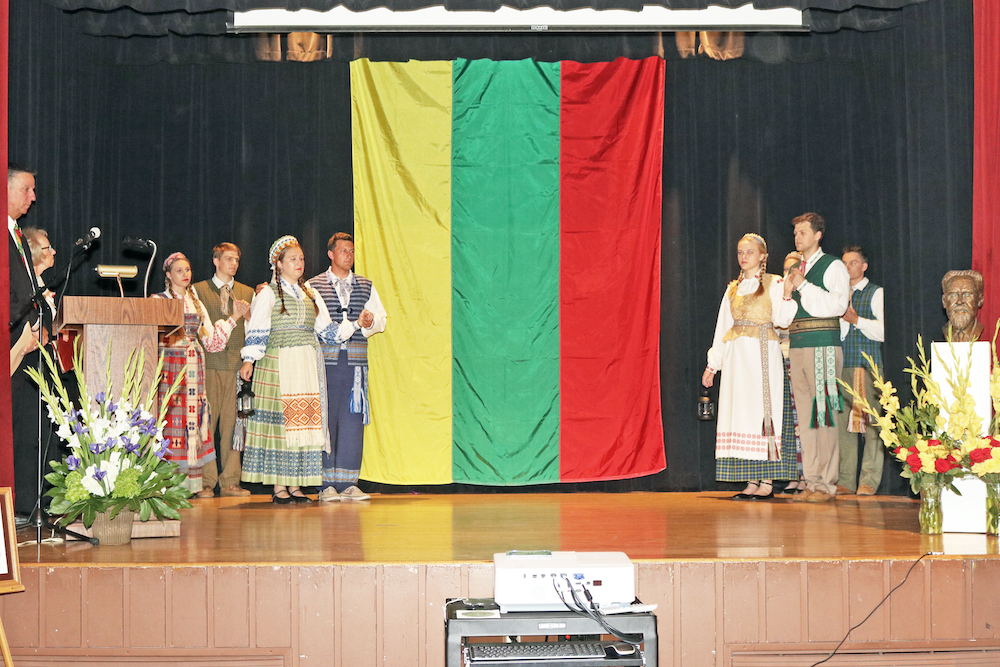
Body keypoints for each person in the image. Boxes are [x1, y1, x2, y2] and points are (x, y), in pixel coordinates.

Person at [239, 236, 355, 504]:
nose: (299, 263)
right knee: (283, 425)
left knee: (302, 422)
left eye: (301, 258)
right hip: (279, 362)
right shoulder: (268, 293)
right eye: (292, 259)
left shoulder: (310, 294)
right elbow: (258, 329)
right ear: (278, 264)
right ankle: (279, 486)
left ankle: (295, 484)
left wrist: (356, 324)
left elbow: (327, 330)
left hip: (305, 364)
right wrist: (249, 360)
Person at [703, 233, 797, 500]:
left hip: (761, 355)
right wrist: (713, 365)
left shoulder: (773, 282)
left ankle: (767, 480)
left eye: (750, 252)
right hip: (737, 359)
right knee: (742, 413)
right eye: (740, 252)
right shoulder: (733, 288)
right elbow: (723, 327)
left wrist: (787, 294)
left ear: (763, 256)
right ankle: (751, 480)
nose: (744, 257)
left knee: (762, 413)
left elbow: (782, 321)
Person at [153, 252, 247, 495]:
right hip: (170, 366)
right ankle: (169, 484)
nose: (185, 274)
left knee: (192, 422)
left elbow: (213, 342)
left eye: (187, 270)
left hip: (194, 367)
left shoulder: (195, 302)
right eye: (179, 271)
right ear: (168, 275)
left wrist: (234, 318)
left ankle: (193, 484)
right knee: (171, 422)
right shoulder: (158, 300)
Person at [306, 232, 386, 502]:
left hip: (354, 365)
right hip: (324, 363)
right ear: (330, 254)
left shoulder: (365, 285)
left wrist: (370, 322)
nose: (349, 256)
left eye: (352, 251)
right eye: (343, 251)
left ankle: (348, 483)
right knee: (325, 420)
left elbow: (381, 320)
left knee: (352, 422)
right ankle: (325, 484)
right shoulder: (313, 285)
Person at [785, 212, 851, 503]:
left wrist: (803, 285)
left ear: (818, 235)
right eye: (795, 233)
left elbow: (837, 306)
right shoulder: (796, 268)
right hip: (797, 345)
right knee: (805, 418)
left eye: (803, 232)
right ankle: (811, 482)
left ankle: (826, 484)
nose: (797, 237)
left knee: (823, 414)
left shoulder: (833, 265)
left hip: (823, 345)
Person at [192, 243, 254, 498]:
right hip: (208, 365)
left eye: (236, 259)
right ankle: (205, 482)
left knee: (234, 425)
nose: (234, 264)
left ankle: (230, 481)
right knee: (206, 424)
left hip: (236, 366)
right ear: (216, 261)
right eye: (228, 259)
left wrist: (247, 316)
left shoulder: (248, 292)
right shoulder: (198, 290)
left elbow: (255, 329)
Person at [8, 164, 50, 517]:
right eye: (26, 189)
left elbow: (30, 291)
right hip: (12, 345)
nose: (33, 197)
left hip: (30, 348)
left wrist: (42, 325)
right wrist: (22, 330)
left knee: (28, 430)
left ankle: (28, 504)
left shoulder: (18, 235)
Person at [837, 246, 885, 496]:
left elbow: (884, 331)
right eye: (844, 263)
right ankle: (845, 480)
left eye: (853, 263)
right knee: (842, 425)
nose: (848, 268)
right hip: (842, 365)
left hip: (868, 366)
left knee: (874, 424)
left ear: (864, 266)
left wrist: (857, 321)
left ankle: (869, 480)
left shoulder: (875, 293)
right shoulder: (837, 295)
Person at [778, 251, 806, 495]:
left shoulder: (808, 295)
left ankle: (807, 474)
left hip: (801, 358)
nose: (790, 273)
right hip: (781, 362)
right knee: (788, 421)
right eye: (787, 269)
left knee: (803, 419)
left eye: (794, 268)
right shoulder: (779, 294)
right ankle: (793, 473)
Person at [941, 270, 985, 342]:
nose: (959, 301)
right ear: (944, 301)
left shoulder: (990, 334)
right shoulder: (934, 335)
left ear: (980, 300)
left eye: (967, 295)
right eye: (953, 295)